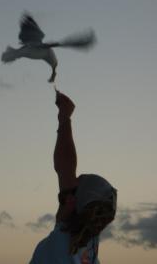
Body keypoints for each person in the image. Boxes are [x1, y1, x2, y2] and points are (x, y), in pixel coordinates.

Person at [29, 90, 117, 264]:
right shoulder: (88, 249)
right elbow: (66, 170)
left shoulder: (59, 247)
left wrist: (64, 117)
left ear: (71, 201)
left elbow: (65, 165)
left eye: (78, 180)